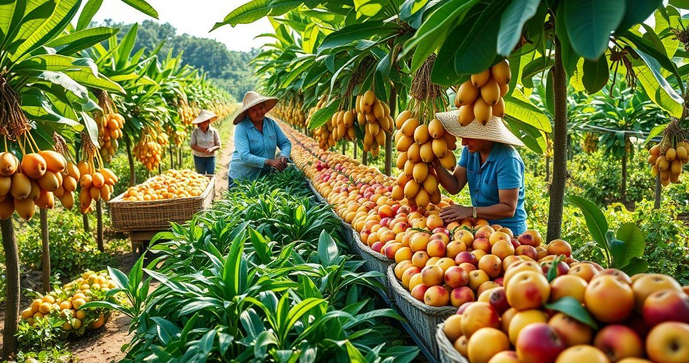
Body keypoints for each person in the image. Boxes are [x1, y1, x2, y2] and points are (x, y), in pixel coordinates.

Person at [433, 113, 528, 235]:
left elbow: (508, 208)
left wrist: (471, 211)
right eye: (462, 136)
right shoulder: (470, 151)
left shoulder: (507, 160)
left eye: (469, 137)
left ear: (487, 136)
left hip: (508, 233)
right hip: (482, 227)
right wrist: (436, 165)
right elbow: (454, 185)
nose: (463, 143)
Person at [228, 91, 292, 185]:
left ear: (265, 108)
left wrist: (284, 155)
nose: (259, 112)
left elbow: (285, 143)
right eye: (254, 110)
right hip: (242, 178)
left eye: (261, 108)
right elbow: (245, 157)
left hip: (264, 178)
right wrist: (270, 162)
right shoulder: (242, 127)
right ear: (247, 113)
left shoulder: (271, 124)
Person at [189, 110, 221, 175]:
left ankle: (212, 185)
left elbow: (219, 145)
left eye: (205, 121)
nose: (204, 123)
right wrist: (202, 150)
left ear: (208, 121)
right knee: (200, 175)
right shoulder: (195, 132)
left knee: (210, 174)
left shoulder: (214, 131)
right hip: (199, 157)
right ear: (199, 123)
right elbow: (192, 145)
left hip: (211, 157)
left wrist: (211, 149)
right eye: (202, 121)